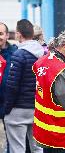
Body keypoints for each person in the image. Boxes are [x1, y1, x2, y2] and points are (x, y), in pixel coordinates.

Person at [4, 19, 44, 153]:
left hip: (18, 109)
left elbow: (12, 85)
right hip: (37, 108)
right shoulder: (43, 55)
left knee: (18, 148)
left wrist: (7, 108)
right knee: (37, 148)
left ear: (19, 34)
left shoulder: (18, 55)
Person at [0, 22, 17, 153]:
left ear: (6, 35)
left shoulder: (15, 53)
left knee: (12, 140)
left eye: (1, 34)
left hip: (9, 104)